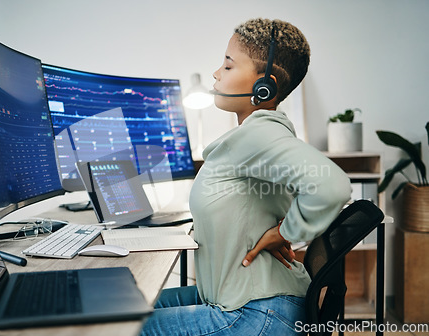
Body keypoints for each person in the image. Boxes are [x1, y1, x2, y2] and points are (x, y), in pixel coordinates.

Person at [140, 18, 351, 336]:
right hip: (249, 301)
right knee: (129, 304)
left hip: (258, 312)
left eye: (227, 65)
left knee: (117, 325)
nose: (216, 73)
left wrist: (285, 231)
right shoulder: (258, 135)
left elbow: (332, 186)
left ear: (263, 86)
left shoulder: (259, 132)